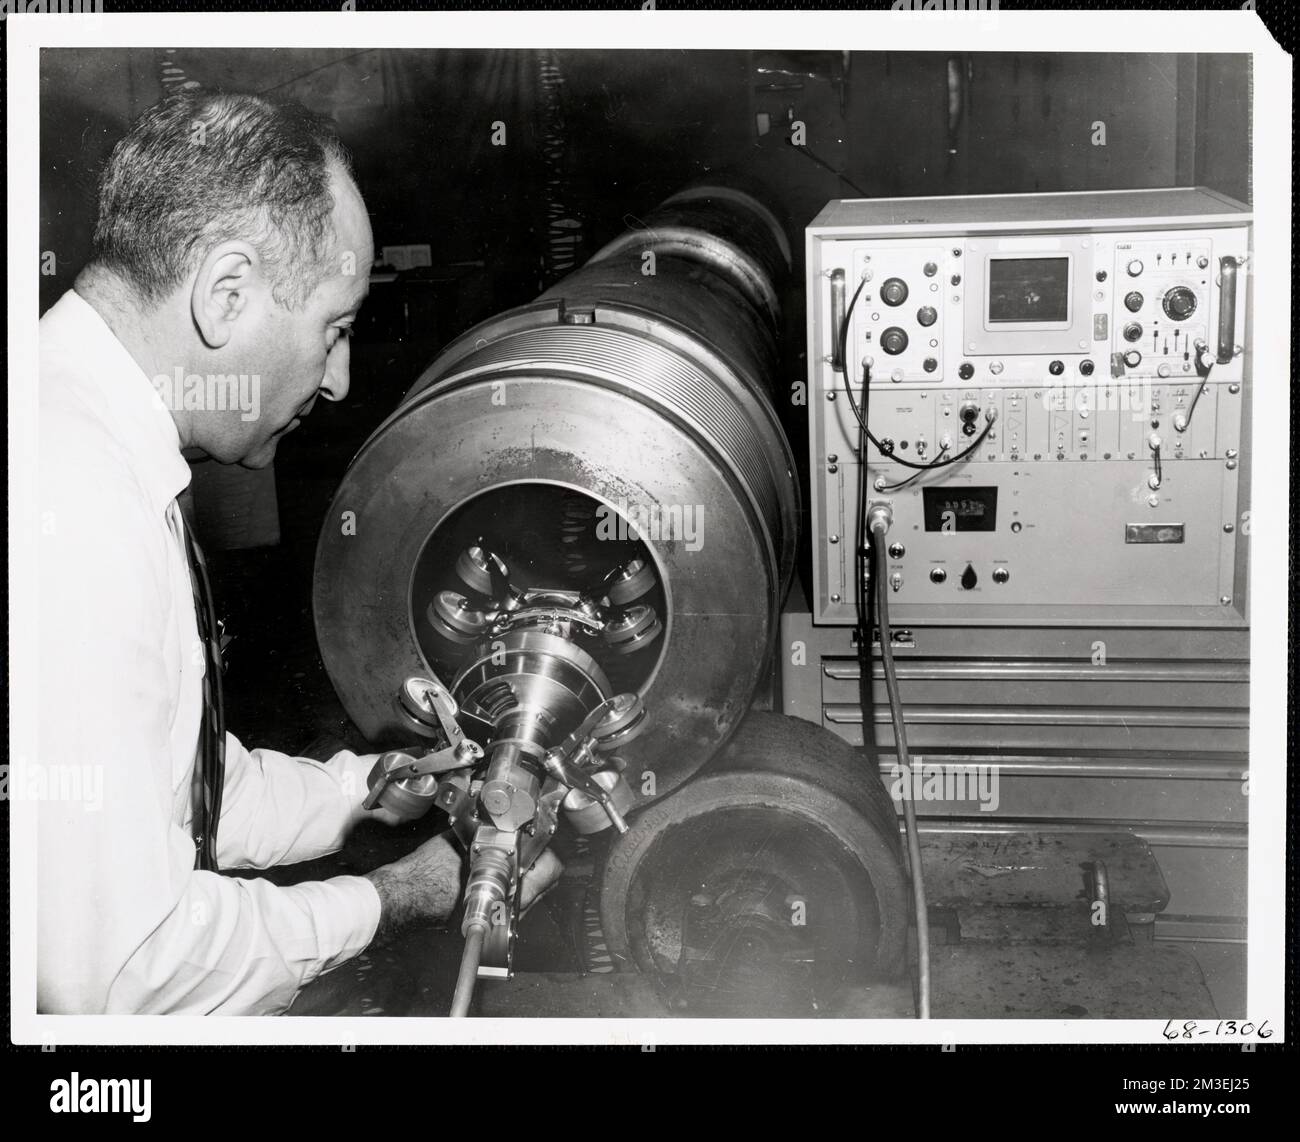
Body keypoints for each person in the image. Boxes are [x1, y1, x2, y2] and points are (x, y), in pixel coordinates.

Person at [36, 90, 559, 1015]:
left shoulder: (87, 433)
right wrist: (398, 898)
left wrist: (379, 792)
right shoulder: (72, 493)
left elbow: (179, 791)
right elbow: (121, 977)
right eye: (337, 326)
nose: (341, 377)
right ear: (225, 293)